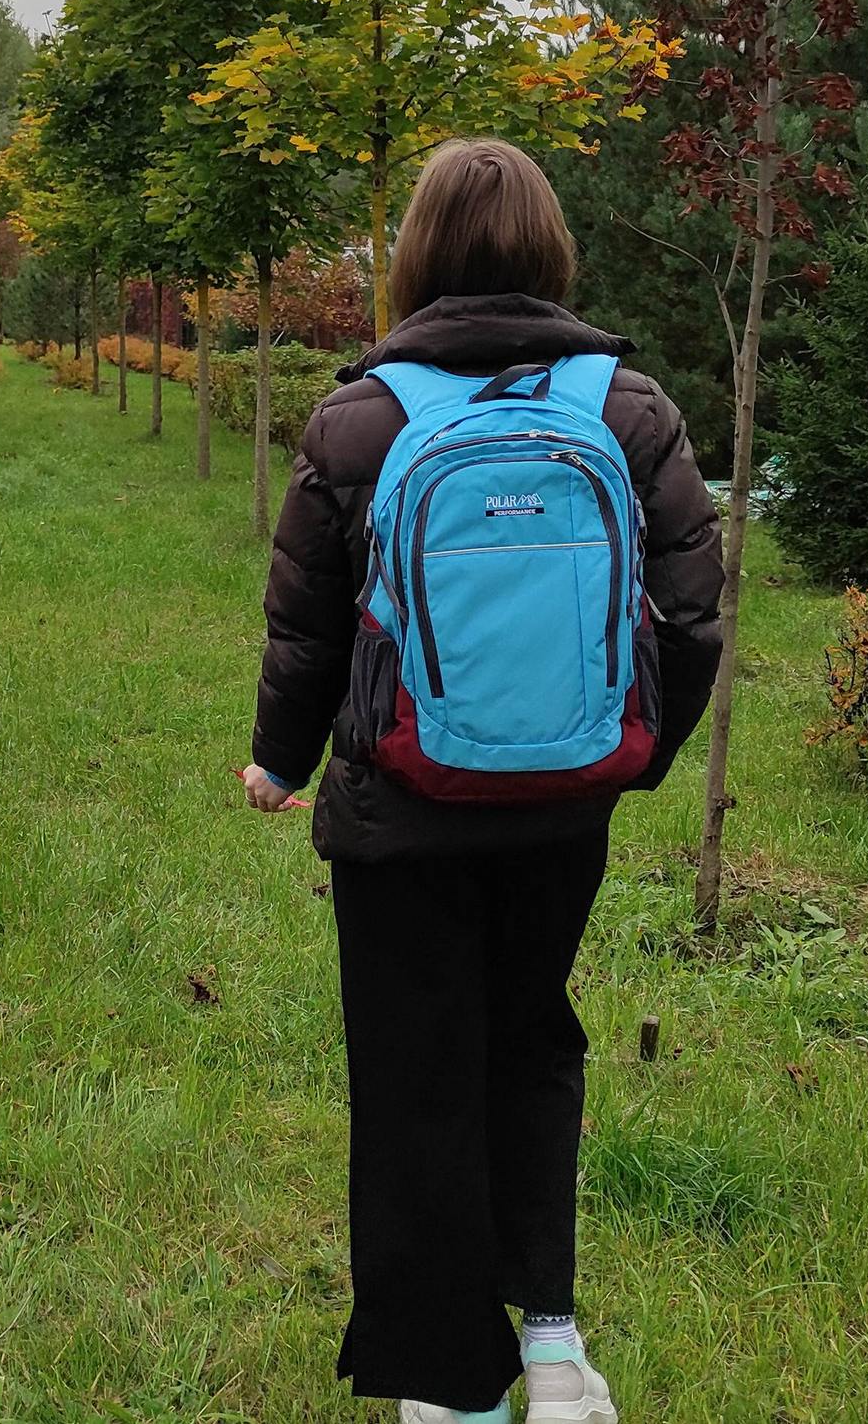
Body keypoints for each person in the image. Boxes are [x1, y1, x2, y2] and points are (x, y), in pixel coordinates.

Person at [241, 139, 724, 1424]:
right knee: (534, 1043)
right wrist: (628, 761)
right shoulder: (628, 410)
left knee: (416, 1074)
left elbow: (310, 630)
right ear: (549, 249)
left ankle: (450, 1385)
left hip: (398, 815)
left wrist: (279, 762)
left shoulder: (360, 417)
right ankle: (556, 1349)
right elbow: (692, 615)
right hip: (561, 808)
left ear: (416, 258)